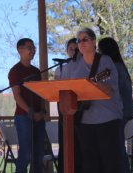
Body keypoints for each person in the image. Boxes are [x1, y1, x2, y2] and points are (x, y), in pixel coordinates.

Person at [60, 28, 127, 173]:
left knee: (110, 163)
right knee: (90, 164)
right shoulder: (73, 66)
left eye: (85, 39)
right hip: (84, 121)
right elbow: (66, 88)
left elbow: (109, 89)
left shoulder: (105, 61)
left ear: (93, 41)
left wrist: (94, 85)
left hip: (107, 119)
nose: (81, 43)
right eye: (79, 40)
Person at [8, 38, 46, 173]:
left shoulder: (36, 71)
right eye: (29, 47)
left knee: (38, 155)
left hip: (39, 117)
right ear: (20, 50)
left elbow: (41, 93)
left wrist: (41, 111)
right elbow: (17, 96)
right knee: (26, 154)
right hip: (24, 116)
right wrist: (31, 112)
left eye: (33, 47)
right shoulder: (15, 71)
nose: (33, 50)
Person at [98, 37, 133, 173]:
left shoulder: (110, 67)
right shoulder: (121, 65)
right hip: (127, 111)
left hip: (118, 113)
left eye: (99, 49)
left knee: (116, 150)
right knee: (119, 149)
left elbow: (96, 83)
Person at [54, 37, 78, 173]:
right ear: (67, 51)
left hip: (81, 109)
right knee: (66, 143)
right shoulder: (60, 69)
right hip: (64, 109)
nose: (73, 51)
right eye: (71, 49)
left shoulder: (85, 65)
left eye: (76, 49)